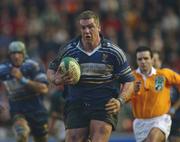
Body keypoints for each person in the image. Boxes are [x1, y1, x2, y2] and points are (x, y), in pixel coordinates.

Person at [47, 10, 134, 142]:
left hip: (103, 104)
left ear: (99, 27)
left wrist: (120, 101)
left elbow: (129, 82)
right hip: (76, 103)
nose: (87, 31)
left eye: (90, 27)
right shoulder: (69, 50)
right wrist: (55, 79)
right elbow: (51, 70)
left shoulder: (113, 52)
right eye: (83, 28)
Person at [120, 46, 180, 142]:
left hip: (160, 119)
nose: (143, 61)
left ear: (152, 60)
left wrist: (174, 108)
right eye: (140, 59)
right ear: (136, 61)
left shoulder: (163, 74)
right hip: (140, 123)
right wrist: (132, 92)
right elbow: (123, 100)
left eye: (146, 58)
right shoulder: (131, 77)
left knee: (152, 139)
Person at [0, 41, 49, 142]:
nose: (16, 56)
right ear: (9, 55)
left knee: (41, 138)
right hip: (18, 109)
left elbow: (44, 88)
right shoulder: (3, 69)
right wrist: (2, 101)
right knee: (22, 134)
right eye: (13, 53)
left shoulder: (34, 66)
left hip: (36, 109)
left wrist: (22, 79)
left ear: (24, 53)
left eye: (19, 53)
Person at [152, 51, 180, 142]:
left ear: (160, 61)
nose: (152, 62)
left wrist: (173, 109)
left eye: (155, 60)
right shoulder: (150, 77)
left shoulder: (162, 76)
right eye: (151, 60)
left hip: (174, 114)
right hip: (161, 116)